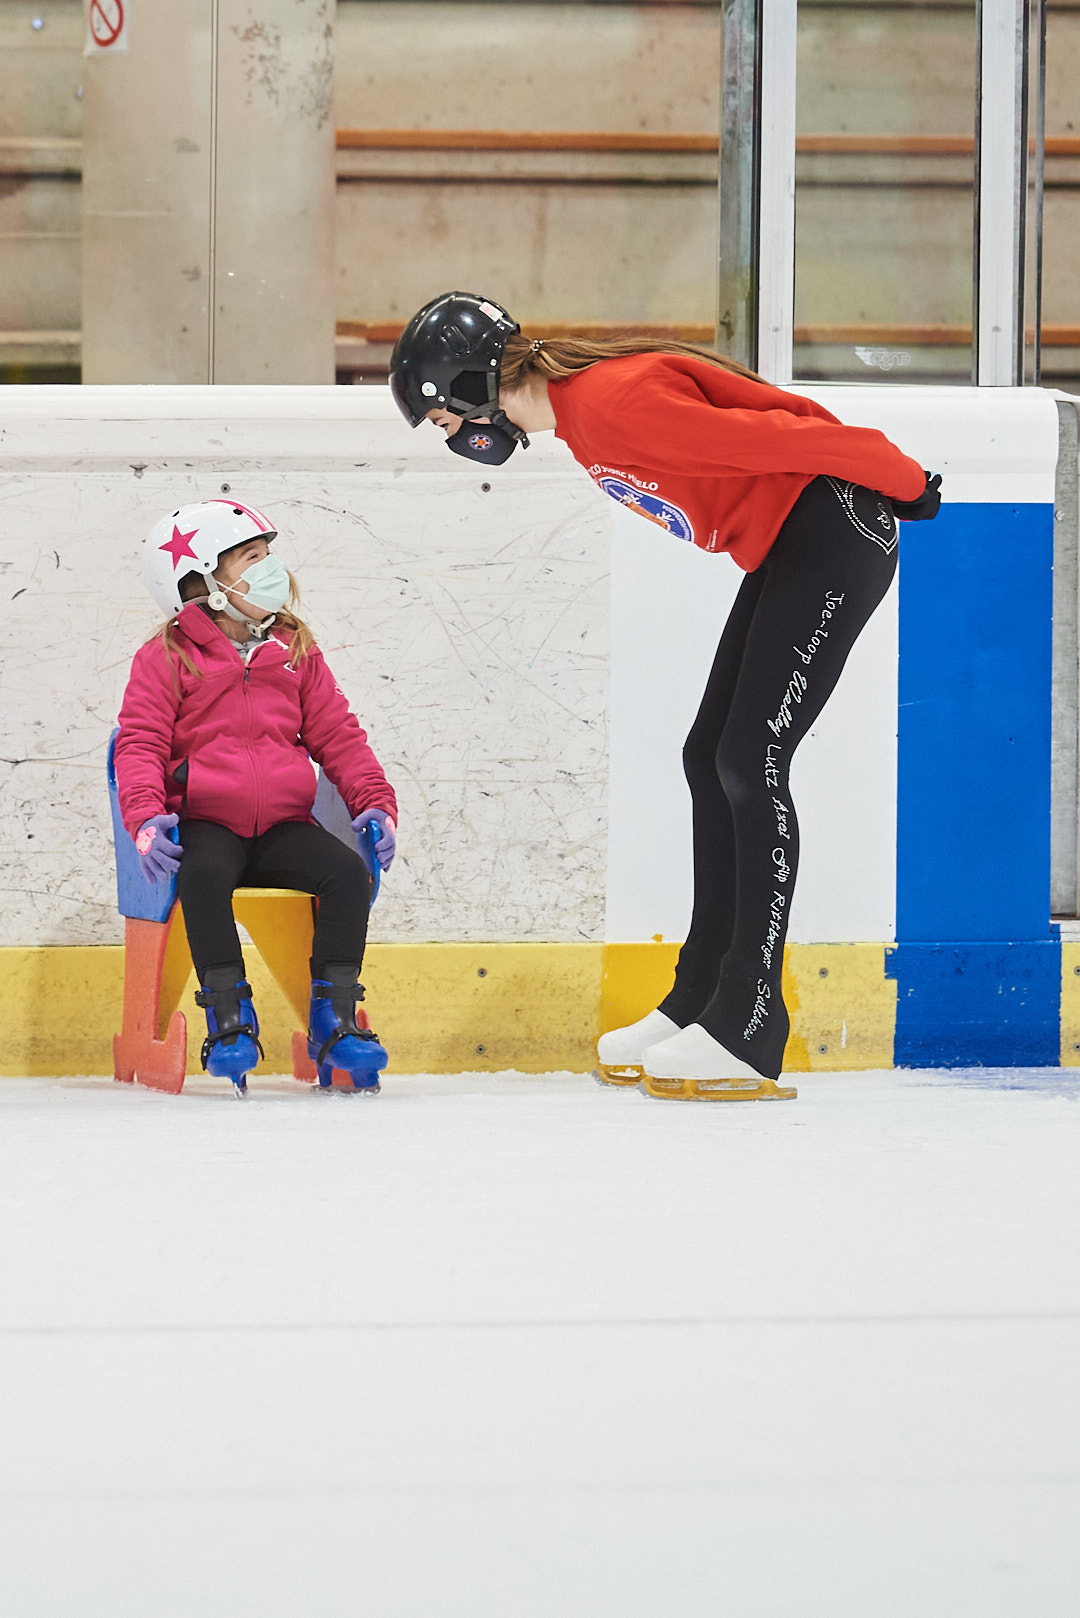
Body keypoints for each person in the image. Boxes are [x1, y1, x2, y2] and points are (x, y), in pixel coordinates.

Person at [389, 292, 941, 1101]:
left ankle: (748, 1025)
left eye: (440, 419)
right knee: (707, 757)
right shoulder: (585, 422)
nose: (451, 437)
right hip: (793, 542)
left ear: (466, 388)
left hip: (833, 531)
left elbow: (790, 437)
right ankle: (696, 1003)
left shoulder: (612, 405)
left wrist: (907, 481)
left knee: (751, 762)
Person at [114, 499, 398, 1096]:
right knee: (204, 875)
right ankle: (229, 1017)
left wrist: (374, 801)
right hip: (206, 821)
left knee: (347, 875)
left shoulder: (293, 650)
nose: (271, 570)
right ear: (202, 582)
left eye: (268, 556)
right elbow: (138, 745)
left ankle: (335, 1020)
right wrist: (144, 819)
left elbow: (338, 736)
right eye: (251, 559)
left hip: (283, 825)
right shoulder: (168, 656)